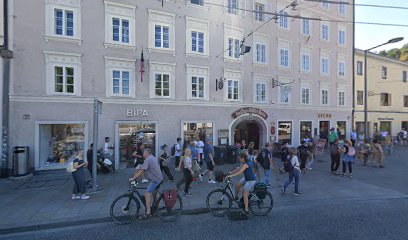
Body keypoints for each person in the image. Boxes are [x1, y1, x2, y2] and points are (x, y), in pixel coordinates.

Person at [129, 149, 163, 219]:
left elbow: (141, 171)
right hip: (158, 178)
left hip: (155, 180)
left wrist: (133, 178)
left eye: (143, 152)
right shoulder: (153, 157)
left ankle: (148, 212)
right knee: (153, 193)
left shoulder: (148, 159)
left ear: (147, 153)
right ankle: (155, 207)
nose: (143, 154)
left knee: (147, 193)